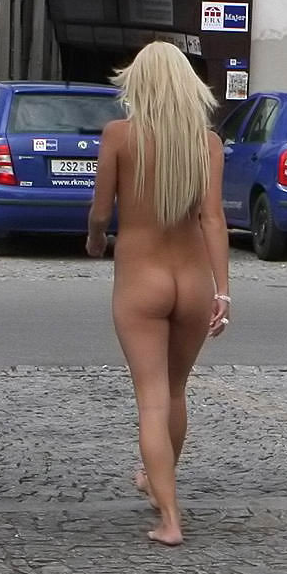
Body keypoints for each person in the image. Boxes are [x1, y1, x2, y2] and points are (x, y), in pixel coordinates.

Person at [86, 42, 231, 546]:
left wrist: (95, 240)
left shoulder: (119, 136)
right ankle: (156, 481)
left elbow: (101, 211)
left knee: (151, 401)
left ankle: (170, 518)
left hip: (141, 278)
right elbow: (213, 219)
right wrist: (224, 291)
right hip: (193, 281)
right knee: (174, 392)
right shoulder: (207, 144)